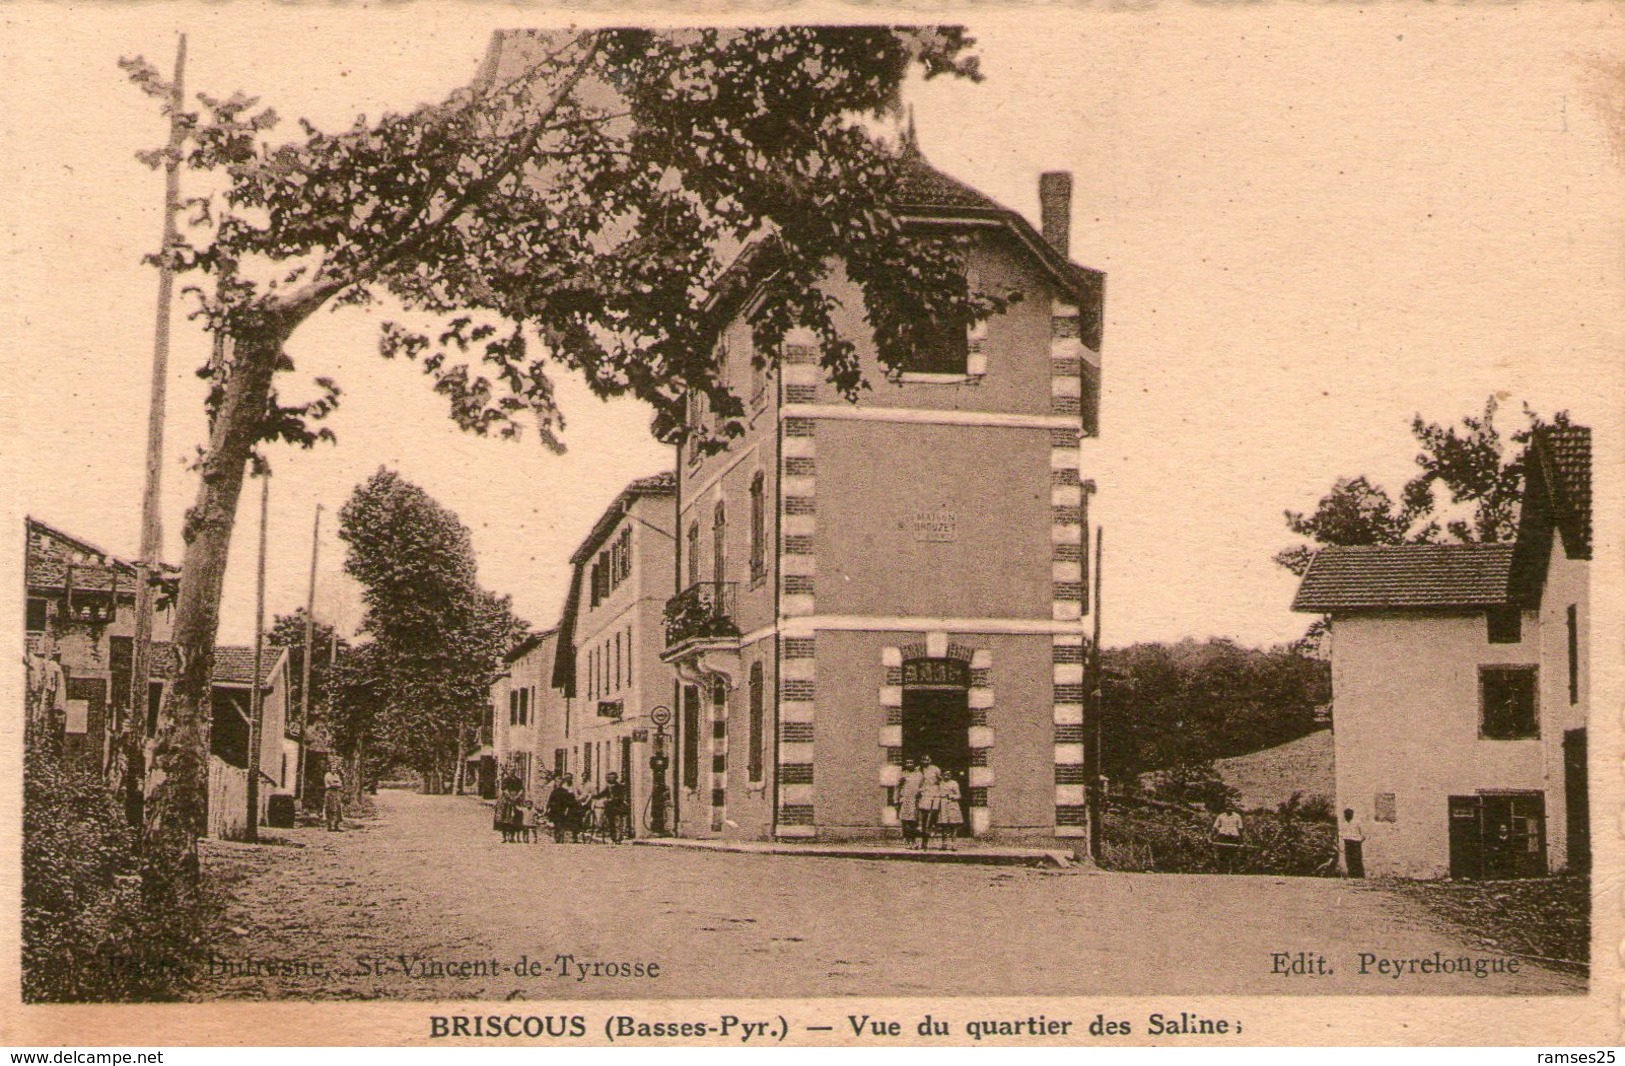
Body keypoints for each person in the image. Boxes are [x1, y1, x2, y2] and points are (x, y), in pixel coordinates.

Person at [914, 755, 942, 850]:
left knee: (932, 816)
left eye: (927, 759)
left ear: (930, 760)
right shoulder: (918, 769)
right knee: (923, 817)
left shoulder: (935, 769)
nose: (925, 761)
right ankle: (922, 840)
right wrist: (918, 791)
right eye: (923, 759)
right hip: (923, 793)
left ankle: (928, 838)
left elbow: (940, 781)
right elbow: (917, 782)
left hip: (934, 793)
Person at [595, 772, 631, 843]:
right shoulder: (608, 787)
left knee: (617, 823)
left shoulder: (619, 786)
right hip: (609, 807)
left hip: (617, 807)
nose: (610, 779)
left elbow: (621, 797)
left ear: (615, 778)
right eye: (609, 777)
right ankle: (613, 838)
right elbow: (601, 794)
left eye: (612, 777)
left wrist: (612, 799)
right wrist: (594, 796)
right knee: (611, 823)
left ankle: (618, 838)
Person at [547, 774, 581, 843]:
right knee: (556, 824)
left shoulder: (565, 791)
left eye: (559, 782)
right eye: (557, 782)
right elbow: (550, 800)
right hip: (555, 810)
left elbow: (570, 800)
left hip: (562, 809)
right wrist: (548, 808)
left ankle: (562, 836)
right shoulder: (554, 791)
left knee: (561, 823)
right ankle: (557, 836)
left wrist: (569, 807)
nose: (558, 784)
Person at [896, 758, 922, 845]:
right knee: (905, 820)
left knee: (913, 820)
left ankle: (913, 839)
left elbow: (922, 786)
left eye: (911, 762)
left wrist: (920, 792)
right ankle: (906, 838)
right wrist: (897, 799)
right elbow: (898, 788)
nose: (909, 764)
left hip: (915, 800)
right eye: (907, 762)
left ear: (914, 764)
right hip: (905, 799)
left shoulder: (919, 774)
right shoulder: (903, 774)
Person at [1211, 804, 1244, 872]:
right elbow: (1215, 827)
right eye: (1228, 807)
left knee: (1233, 854)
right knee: (1222, 854)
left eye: (1231, 807)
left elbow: (1240, 828)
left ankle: (1233, 870)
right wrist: (1211, 836)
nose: (1229, 809)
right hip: (1223, 836)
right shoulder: (1221, 816)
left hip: (1234, 837)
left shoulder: (1237, 816)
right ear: (1225, 808)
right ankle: (1222, 870)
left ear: (1233, 808)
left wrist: (1241, 839)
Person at [936, 770, 964, 849]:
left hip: (952, 805)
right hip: (943, 805)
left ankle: (953, 844)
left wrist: (951, 796)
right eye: (945, 774)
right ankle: (944, 844)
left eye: (949, 774)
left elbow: (959, 795)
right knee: (944, 825)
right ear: (942, 775)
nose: (947, 776)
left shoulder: (954, 783)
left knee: (953, 825)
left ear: (951, 775)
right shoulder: (940, 783)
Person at [1341, 807, 1367, 878]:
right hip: (1347, 843)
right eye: (1345, 814)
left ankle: (1359, 876)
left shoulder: (1357, 823)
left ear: (1352, 814)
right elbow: (1342, 834)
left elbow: (1364, 835)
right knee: (1349, 860)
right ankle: (1351, 875)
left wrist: (1358, 842)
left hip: (1355, 844)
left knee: (1356, 860)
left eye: (1348, 814)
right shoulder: (1344, 823)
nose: (1346, 816)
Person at [498, 775, 525, 843]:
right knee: (504, 818)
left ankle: (512, 836)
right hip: (506, 801)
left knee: (515, 818)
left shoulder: (518, 780)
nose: (512, 771)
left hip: (516, 799)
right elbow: (504, 789)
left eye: (513, 769)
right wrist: (510, 796)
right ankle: (504, 837)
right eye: (510, 769)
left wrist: (517, 796)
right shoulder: (505, 780)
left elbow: (521, 789)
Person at [323, 766, 344, 831]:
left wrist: (337, 784)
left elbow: (340, 784)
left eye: (335, 768)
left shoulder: (337, 776)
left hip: (336, 793)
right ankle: (329, 826)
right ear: (330, 769)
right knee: (329, 808)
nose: (334, 770)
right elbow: (332, 784)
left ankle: (336, 826)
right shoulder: (327, 775)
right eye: (332, 768)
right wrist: (336, 784)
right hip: (329, 793)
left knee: (337, 808)